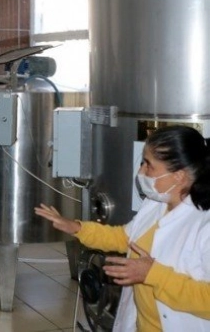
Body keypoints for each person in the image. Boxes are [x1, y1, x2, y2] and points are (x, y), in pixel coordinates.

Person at [35, 125, 210, 332]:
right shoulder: (156, 204)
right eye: (142, 163)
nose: (141, 172)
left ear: (179, 175)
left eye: (149, 165)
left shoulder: (204, 225)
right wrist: (76, 227)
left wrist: (152, 274)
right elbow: (124, 238)